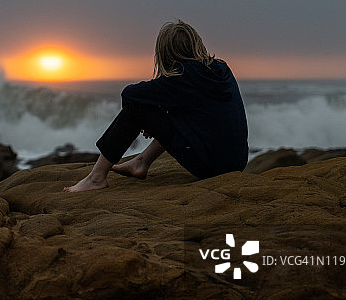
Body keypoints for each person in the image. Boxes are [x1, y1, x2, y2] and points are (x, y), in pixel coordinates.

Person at [64, 20, 248, 192]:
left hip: (211, 167)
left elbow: (129, 94)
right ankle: (141, 162)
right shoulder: (221, 68)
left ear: (165, 52)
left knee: (136, 108)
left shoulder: (181, 78)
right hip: (237, 162)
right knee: (172, 107)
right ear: (197, 44)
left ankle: (96, 178)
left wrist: (150, 117)